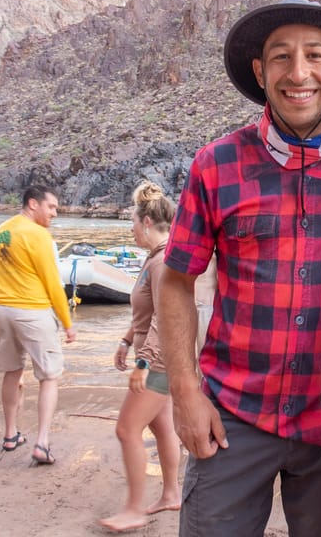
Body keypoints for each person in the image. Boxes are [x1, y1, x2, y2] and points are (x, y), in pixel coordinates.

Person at [156, 0, 321, 536]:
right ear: (261, 73)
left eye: (316, 55)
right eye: (281, 57)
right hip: (233, 415)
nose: (299, 73)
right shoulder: (216, 164)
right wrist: (185, 393)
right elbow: (176, 281)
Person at [99, 181, 181, 532]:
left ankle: (133, 509)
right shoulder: (154, 259)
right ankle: (172, 493)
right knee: (162, 427)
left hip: (159, 363)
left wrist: (143, 363)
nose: (130, 229)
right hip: (156, 357)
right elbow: (146, 313)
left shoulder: (162, 262)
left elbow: (167, 318)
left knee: (126, 428)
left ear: (146, 222)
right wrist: (125, 339)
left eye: (132, 222)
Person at [0, 184, 77, 465]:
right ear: (33, 204)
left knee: (12, 371)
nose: (54, 213)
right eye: (51, 207)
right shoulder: (38, 235)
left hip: (3, 312)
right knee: (49, 377)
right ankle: (42, 442)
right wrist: (68, 323)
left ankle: (11, 435)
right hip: (33, 312)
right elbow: (53, 284)